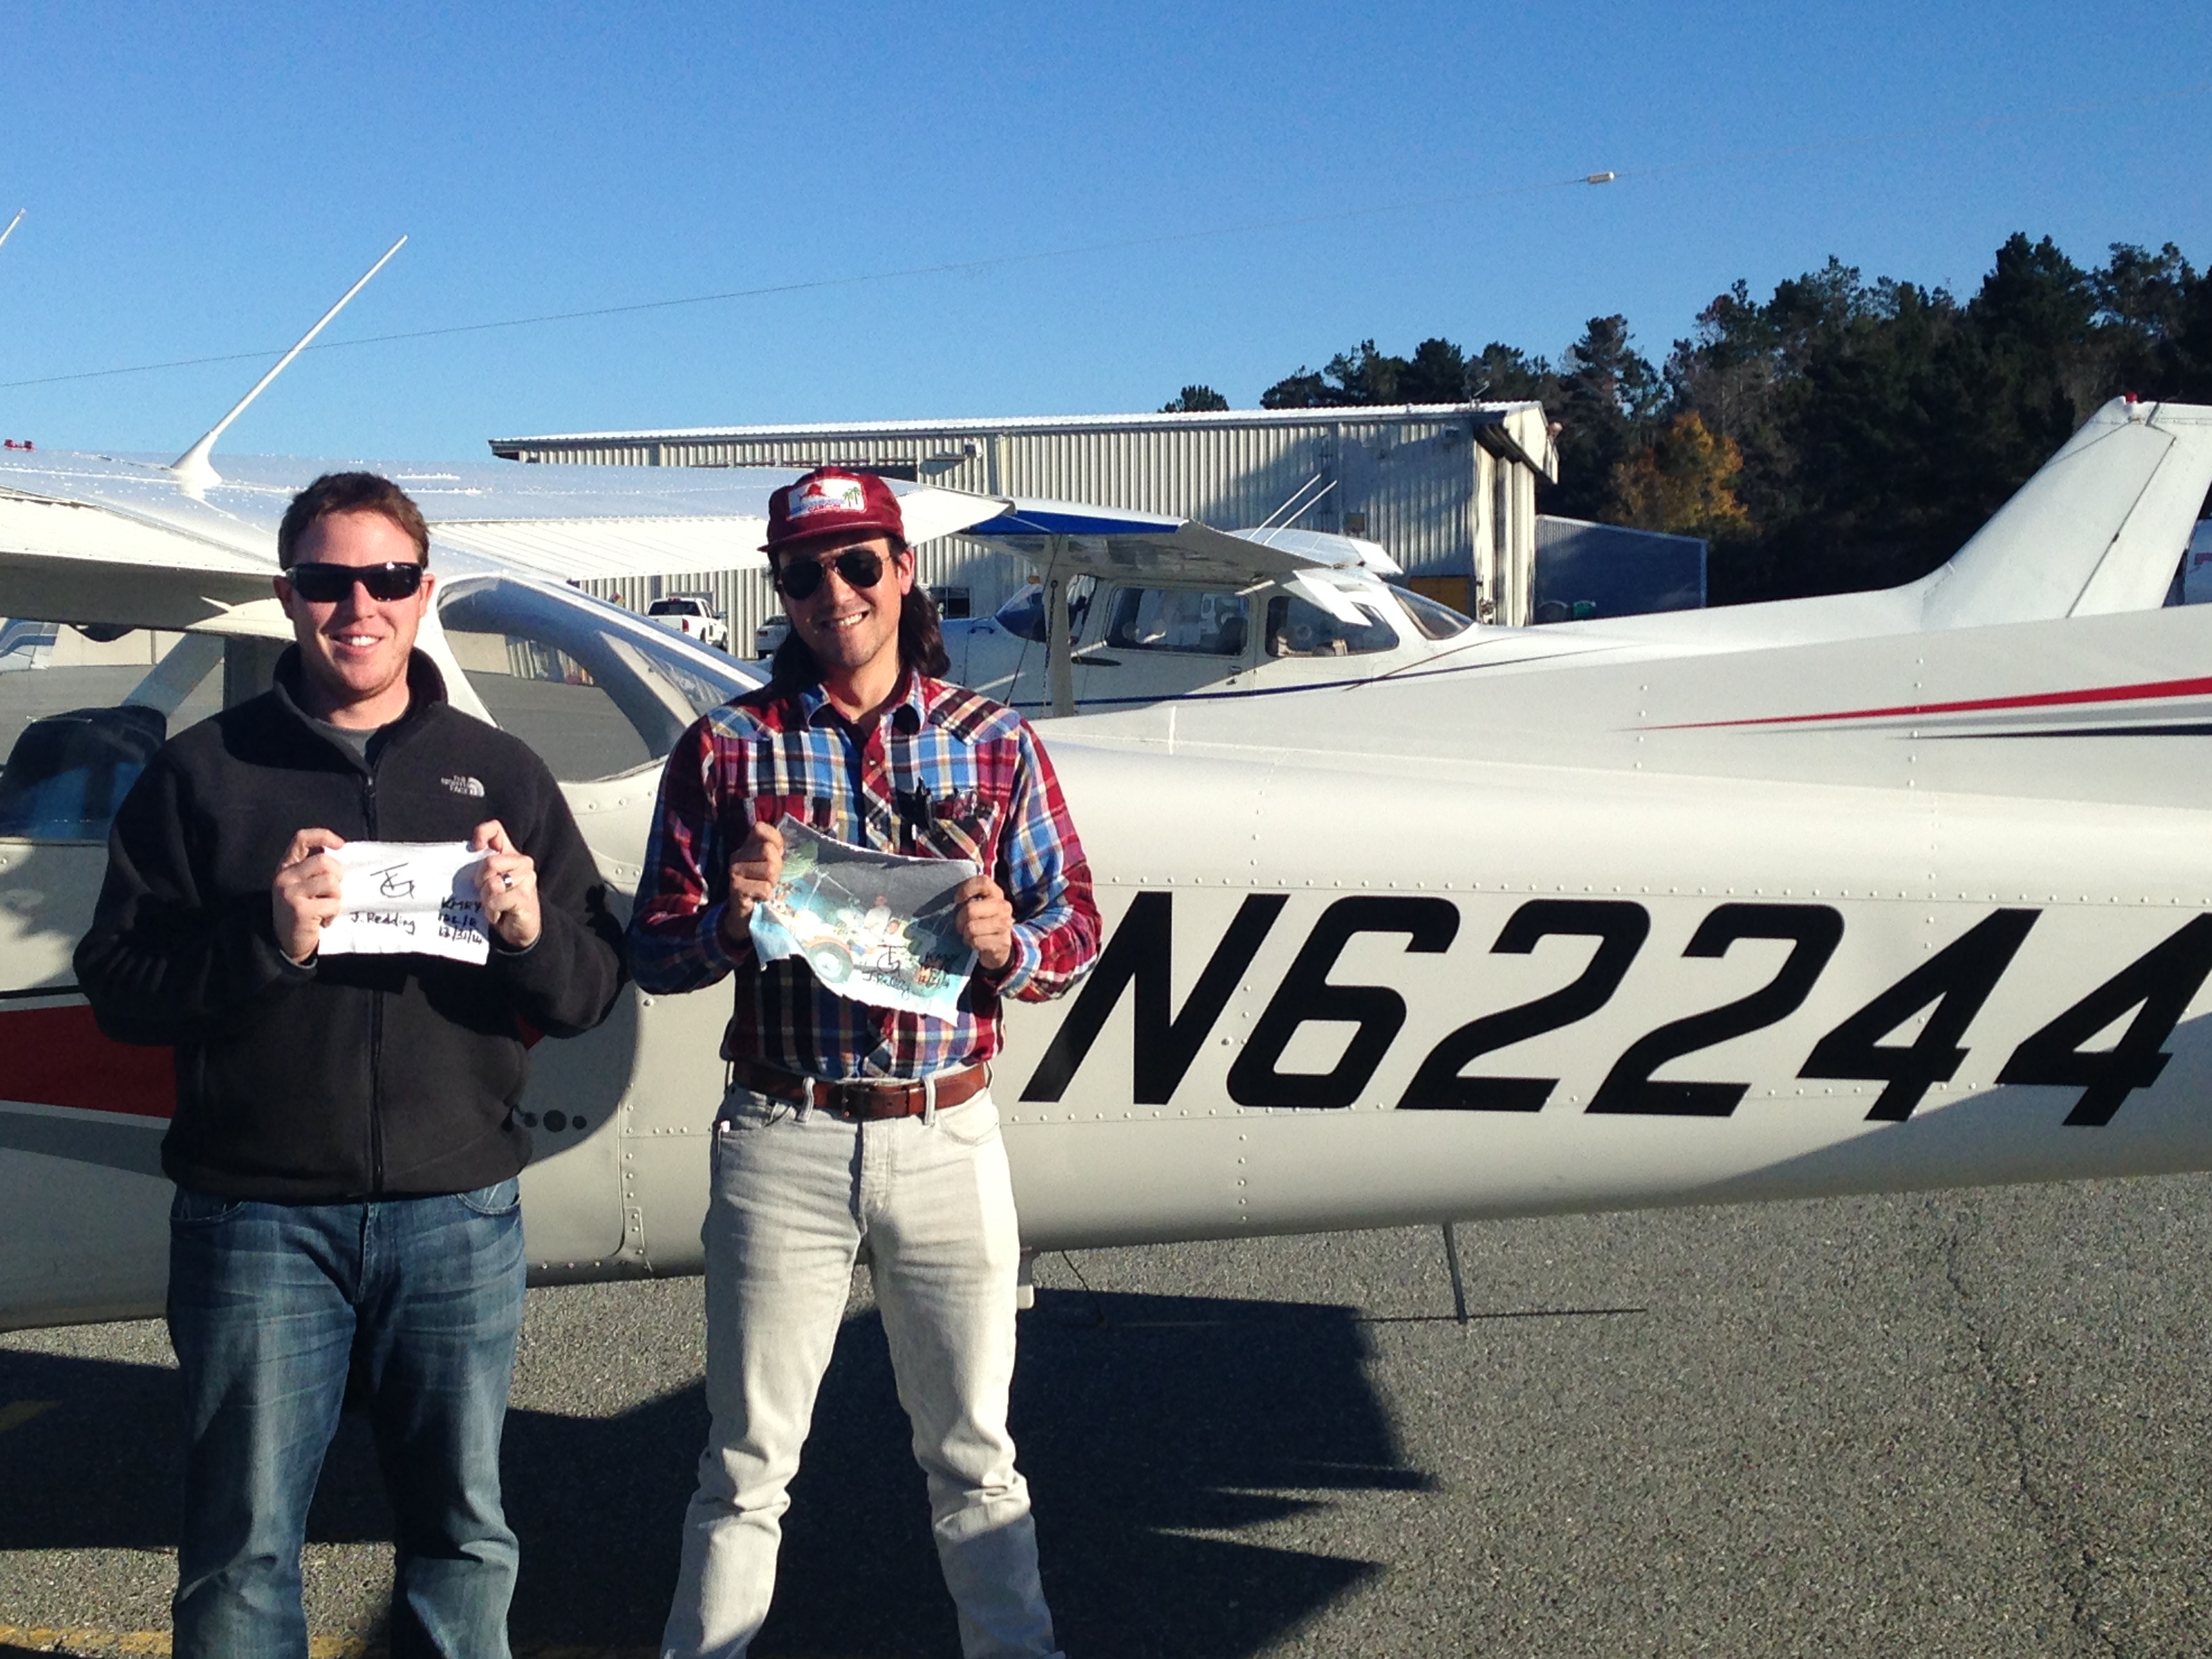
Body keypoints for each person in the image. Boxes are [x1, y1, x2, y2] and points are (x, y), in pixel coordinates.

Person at [75, 471, 627, 1659]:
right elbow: (120, 989)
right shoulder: (201, 775)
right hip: (256, 1218)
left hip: (457, 1213)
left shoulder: (505, 772)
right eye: (328, 582)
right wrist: (267, 940)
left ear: (423, 594)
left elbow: (588, 992)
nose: (357, 606)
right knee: (241, 1549)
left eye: (385, 579)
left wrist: (530, 934)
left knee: (464, 1536)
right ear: (289, 596)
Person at [630, 467, 1101, 1659]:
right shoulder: (727, 750)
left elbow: (1076, 929)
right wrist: (727, 925)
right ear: (779, 591)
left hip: (945, 1133)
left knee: (975, 1455)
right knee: (744, 1463)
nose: (832, 592)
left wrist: (1013, 943)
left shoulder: (994, 744)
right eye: (802, 574)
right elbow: (657, 948)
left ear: (903, 572)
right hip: (782, 1133)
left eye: (856, 565)